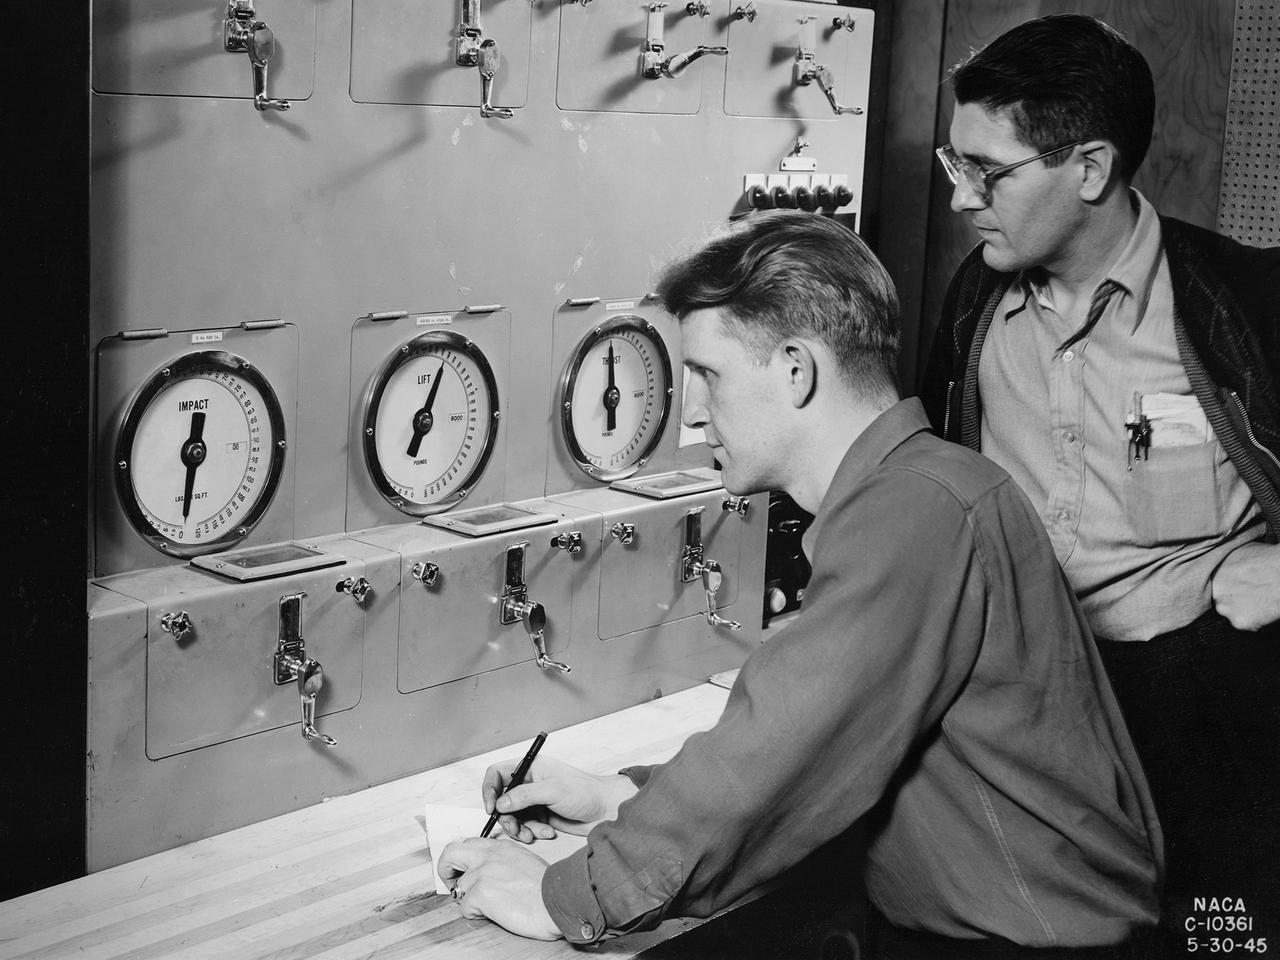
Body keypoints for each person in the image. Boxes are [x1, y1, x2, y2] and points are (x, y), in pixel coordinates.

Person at [440, 211, 1163, 958]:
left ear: (796, 369)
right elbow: (804, 747)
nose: (689, 415)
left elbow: (773, 747)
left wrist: (565, 897)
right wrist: (619, 797)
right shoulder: (927, 488)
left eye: (707, 376)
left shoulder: (914, 511)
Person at [918, 13, 1280, 939]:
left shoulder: (1244, 301)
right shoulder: (972, 305)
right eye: (953, 165)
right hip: (1026, 708)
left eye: (986, 173)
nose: (962, 199)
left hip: (1200, 713)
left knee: (1220, 937)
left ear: (1088, 168)